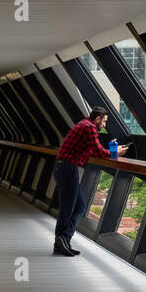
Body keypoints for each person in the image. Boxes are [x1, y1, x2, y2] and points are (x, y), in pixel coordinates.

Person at [51, 107, 127, 257]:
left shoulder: (83, 125)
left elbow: (92, 149)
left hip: (64, 168)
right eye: (104, 121)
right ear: (97, 119)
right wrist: (115, 152)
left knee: (79, 206)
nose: (104, 125)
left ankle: (63, 240)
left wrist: (114, 150)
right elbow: (99, 151)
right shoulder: (89, 128)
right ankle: (61, 241)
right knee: (68, 208)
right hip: (67, 169)